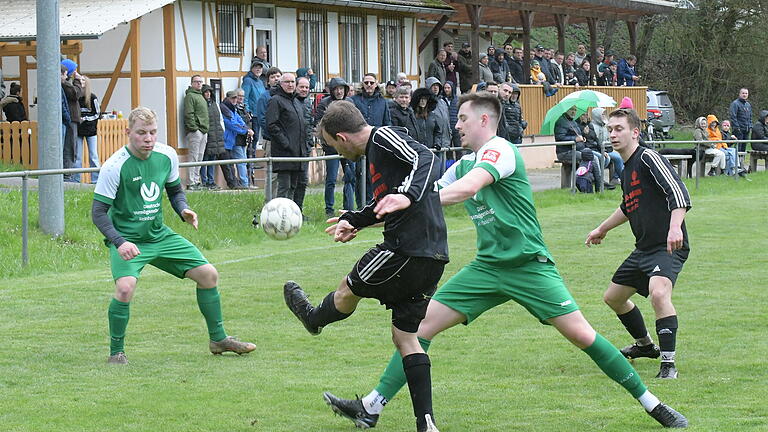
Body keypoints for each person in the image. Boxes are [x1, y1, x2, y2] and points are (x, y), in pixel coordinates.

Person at [323, 94, 688, 430]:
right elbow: (422, 197)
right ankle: (372, 406)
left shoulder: (501, 151)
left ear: (485, 120)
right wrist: (361, 218)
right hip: (486, 269)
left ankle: (653, 404)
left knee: (583, 336)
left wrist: (408, 200)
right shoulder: (463, 164)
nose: (457, 125)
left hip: (529, 266)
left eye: (463, 118)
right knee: (418, 332)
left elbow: (464, 190)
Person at [284, 100, 448, 432]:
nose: (339, 154)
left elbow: (426, 158)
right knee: (405, 338)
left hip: (404, 250)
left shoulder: (384, 137)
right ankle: (424, 423)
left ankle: (314, 319)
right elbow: (385, 201)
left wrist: (408, 195)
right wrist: (354, 220)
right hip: (432, 257)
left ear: (341, 136)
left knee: (347, 290)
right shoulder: (379, 154)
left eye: (333, 146)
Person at [91, 107, 255, 365]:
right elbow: (98, 213)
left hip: (159, 236)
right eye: (141, 133)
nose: (148, 138)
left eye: (153, 132)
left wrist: (183, 210)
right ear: (128, 132)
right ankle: (116, 353)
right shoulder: (114, 166)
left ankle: (218, 339)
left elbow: (175, 191)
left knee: (208, 275)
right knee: (124, 289)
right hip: (128, 241)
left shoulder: (166, 155)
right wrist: (120, 242)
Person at [587, 108, 691, 384]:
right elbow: (628, 206)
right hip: (644, 248)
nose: (612, 134)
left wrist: (674, 227)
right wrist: (602, 228)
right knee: (614, 297)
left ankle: (669, 364)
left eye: (619, 128)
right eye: (610, 129)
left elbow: (678, 191)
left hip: (667, 245)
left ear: (635, 132)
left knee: (659, 294)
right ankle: (645, 345)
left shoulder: (647, 157)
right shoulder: (627, 168)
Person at [351, 73, 393, 206]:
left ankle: (375, 204)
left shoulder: (383, 102)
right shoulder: (355, 100)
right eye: (366, 82)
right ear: (362, 84)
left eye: (371, 83)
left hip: (377, 144)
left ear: (376, 84)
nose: (369, 85)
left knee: (375, 176)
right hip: (359, 144)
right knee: (360, 176)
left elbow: (387, 123)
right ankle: (361, 205)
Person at [267, 73, 307, 208]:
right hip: (284, 152)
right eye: (287, 82)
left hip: (298, 152)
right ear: (281, 84)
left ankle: (291, 214)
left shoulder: (296, 101)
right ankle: (279, 214)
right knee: (284, 186)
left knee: (294, 185)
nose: (290, 85)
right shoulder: (276, 100)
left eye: (292, 82)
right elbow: (272, 125)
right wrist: (286, 143)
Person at [316, 77, 355, 216]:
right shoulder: (324, 104)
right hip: (332, 146)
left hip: (348, 146)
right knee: (331, 179)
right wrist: (328, 142)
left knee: (351, 177)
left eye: (341, 89)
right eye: (336, 89)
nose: (339, 91)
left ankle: (349, 208)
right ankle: (329, 209)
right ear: (332, 90)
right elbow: (320, 125)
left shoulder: (350, 102)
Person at [555, 106, 602, 190]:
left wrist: (583, 135)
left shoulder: (572, 121)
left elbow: (577, 135)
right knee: (593, 158)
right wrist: (574, 139)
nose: (574, 112)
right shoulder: (561, 122)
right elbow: (559, 138)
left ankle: (596, 183)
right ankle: (598, 186)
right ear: (566, 110)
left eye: (575, 110)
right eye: (571, 110)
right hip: (565, 152)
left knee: (597, 157)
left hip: (578, 149)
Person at [201, 85, 238, 189]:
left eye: (209, 92)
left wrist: (221, 130)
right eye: (206, 92)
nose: (208, 94)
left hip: (216, 135)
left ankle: (211, 181)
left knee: (212, 160)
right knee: (205, 159)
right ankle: (204, 181)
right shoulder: (203, 105)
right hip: (207, 134)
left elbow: (220, 119)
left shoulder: (215, 104)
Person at [221, 89, 252, 188]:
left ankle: (236, 183)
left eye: (236, 98)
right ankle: (237, 184)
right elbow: (232, 124)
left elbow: (240, 121)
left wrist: (247, 129)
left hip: (231, 141)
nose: (235, 100)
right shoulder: (225, 109)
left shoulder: (232, 109)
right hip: (225, 141)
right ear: (228, 98)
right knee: (229, 165)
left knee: (232, 165)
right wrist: (246, 131)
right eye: (233, 98)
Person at [183, 75, 209, 190]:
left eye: (200, 82)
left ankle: (197, 180)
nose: (199, 84)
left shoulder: (201, 96)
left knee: (200, 157)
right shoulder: (190, 96)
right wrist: (194, 128)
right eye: (196, 82)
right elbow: (189, 113)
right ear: (192, 83)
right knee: (193, 156)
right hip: (196, 131)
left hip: (203, 130)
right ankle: (191, 182)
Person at [61, 60, 83, 182]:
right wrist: (78, 80)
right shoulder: (66, 84)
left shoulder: (66, 83)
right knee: (70, 147)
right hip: (70, 119)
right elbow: (76, 93)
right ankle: (67, 175)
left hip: (71, 118)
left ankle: (68, 174)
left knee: (71, 146)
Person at [76, 76, 100, 183]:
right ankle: (76, 179)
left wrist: (85, 119)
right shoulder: (76, 98)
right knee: (77, 157)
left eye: (83, 81)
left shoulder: (92, 98)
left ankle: (95, 180)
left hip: (91, 131)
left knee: (93, 156)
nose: (81, 83)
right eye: (79, 81)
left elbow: (97, 114)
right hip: (78, 131)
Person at [242, 59, 266, 134]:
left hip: (261, 113)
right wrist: (247, 112)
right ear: (252, 69)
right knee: (254, 137)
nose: (258, 69)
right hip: (253, 114)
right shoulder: (248, 81)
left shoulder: (261, 82)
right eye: (256, 67)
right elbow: (244, 97)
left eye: (260, 68)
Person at [728, 88, 752, 155]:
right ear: (739, 94)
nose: (744, 95)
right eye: (743, 93)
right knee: (738, 147)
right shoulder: (735, 104)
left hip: (746, 130)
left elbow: (750, 117)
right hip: (738, 130)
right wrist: (737, 127)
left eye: (746, 93)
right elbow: (733, 116)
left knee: (743, 148)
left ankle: (742, 164)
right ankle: (737, 164)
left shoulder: (748, 105)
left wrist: (750, 126)